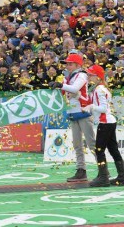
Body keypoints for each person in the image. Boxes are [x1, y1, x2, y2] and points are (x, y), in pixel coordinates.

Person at [49, 54, 96, 182]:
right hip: (72, 112)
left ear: (77, 65)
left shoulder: (82, 75)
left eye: (70, 63)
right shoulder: (67, 76)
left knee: (92, 143)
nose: (67, 66)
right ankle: (81, 170)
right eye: (67, 64)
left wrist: (60, 85)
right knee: (77, 144)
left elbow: (75, 88)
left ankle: (103, 169)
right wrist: (56, 87)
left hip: (83, 112)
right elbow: (65, 91)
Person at [81, 65, 124, 187]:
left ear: (98, 77)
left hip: (105, 123)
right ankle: (121, 176)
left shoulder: (99, 89)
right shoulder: (99, 88)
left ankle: (103, 177)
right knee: (113, 149)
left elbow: (103, 108)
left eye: (91, 75)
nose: (89, 77)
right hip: (109, 122)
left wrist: (91, 107)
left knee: (99, 150)